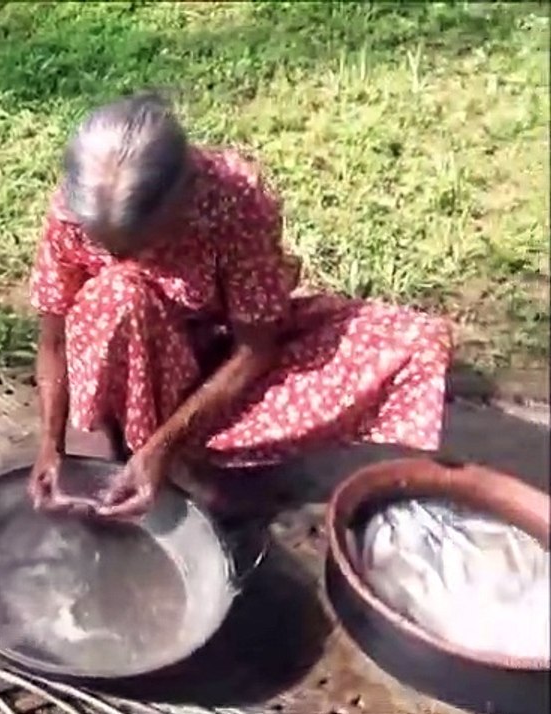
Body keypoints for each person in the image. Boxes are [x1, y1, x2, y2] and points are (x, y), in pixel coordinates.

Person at [27, 93, 453, 521]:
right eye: (108, 246)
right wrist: (50, 444)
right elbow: (55, 342)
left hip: (219, 357)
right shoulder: (74, 210)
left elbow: (255, 349)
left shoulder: (233, 200)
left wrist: (164, 443)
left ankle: (170, 450)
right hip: (128, 356)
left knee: (415, 345)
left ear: (183, 199)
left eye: (139, 242)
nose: (126, 256)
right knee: (120, 294)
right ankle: (135, 439)